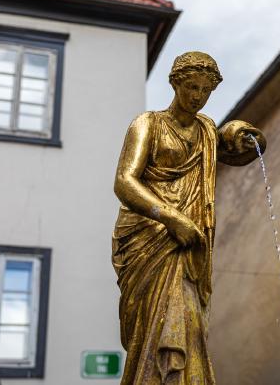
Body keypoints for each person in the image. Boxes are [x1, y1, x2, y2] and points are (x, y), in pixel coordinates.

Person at [112, 51, 265, 384]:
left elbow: (229, 152)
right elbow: (124, 181)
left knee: (189, 319)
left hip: (188, 245)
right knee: (152, 324)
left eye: (205, 91)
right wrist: (171, 218)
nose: (197, 97)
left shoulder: (206, 129)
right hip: (149, 237)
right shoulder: (148, 124)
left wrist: (245, 137)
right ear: (174, 83)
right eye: (191, 87)